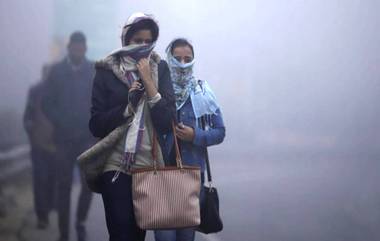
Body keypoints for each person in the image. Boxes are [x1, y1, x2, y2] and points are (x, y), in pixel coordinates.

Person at [88, 12, 175, 241]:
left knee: (137, 234)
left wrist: (149, 82)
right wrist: (127, 108)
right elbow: (96, 125)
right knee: (120, 233)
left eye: (148, 41)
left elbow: (167, 122)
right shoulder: (106, 72)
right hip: (116, 164)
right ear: (126, 40)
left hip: (149, 165)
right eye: (138, 41)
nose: (143, 46)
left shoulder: (161, 69)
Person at [154, 38, 226, 241]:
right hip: (160, 176)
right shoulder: (155, 91)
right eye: (177, 58)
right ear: (168, 60)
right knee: (165, 237)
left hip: (191, 180)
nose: (183, 63)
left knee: (186, 237)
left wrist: (195, 136)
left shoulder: (202, 92)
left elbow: (219, 132)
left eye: (188, 58)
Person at [42, 31, 95, 241]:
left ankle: (80, 221)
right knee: (63, 186)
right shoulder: (56, 72)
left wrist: (93, 125)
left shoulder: (93, 71)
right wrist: (59, 120)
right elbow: (46, 103)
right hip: (63, 139)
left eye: (82, 48)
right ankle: (63, 233)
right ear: (69, 48)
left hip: (86, 139)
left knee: (88, 185)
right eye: (75, 48)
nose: (78, 52)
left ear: (85, 49)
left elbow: (98, 101)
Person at [23, 64, 57, 229]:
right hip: (38, 145)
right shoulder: (35, 91)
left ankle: (50, 207)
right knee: (40, 180)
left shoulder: (61, 92)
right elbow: (27, 117)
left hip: (56, 145)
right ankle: (41, 216)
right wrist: (32, 133)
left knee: (52, 179)